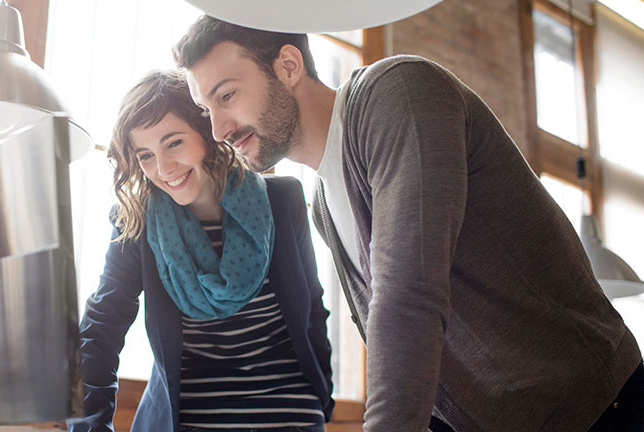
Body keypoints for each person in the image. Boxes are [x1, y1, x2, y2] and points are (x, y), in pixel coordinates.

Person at [173, 15, 644, 432]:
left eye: (227, 95)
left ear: (289, 66)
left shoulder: (397, 92)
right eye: (206, 109)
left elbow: (409, 294)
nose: (218, 130)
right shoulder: (323, 205)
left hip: (600, 407)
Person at [70, 70, 334, 432]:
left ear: (206, 130)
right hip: (186, 420)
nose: (163, 169)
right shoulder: (137, 223)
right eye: (145, 155)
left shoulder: (282, 200)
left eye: (174, 143)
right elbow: (100, 330)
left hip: (289, 415)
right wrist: (90, 427)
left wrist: (324, 396)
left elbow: (312, 306)